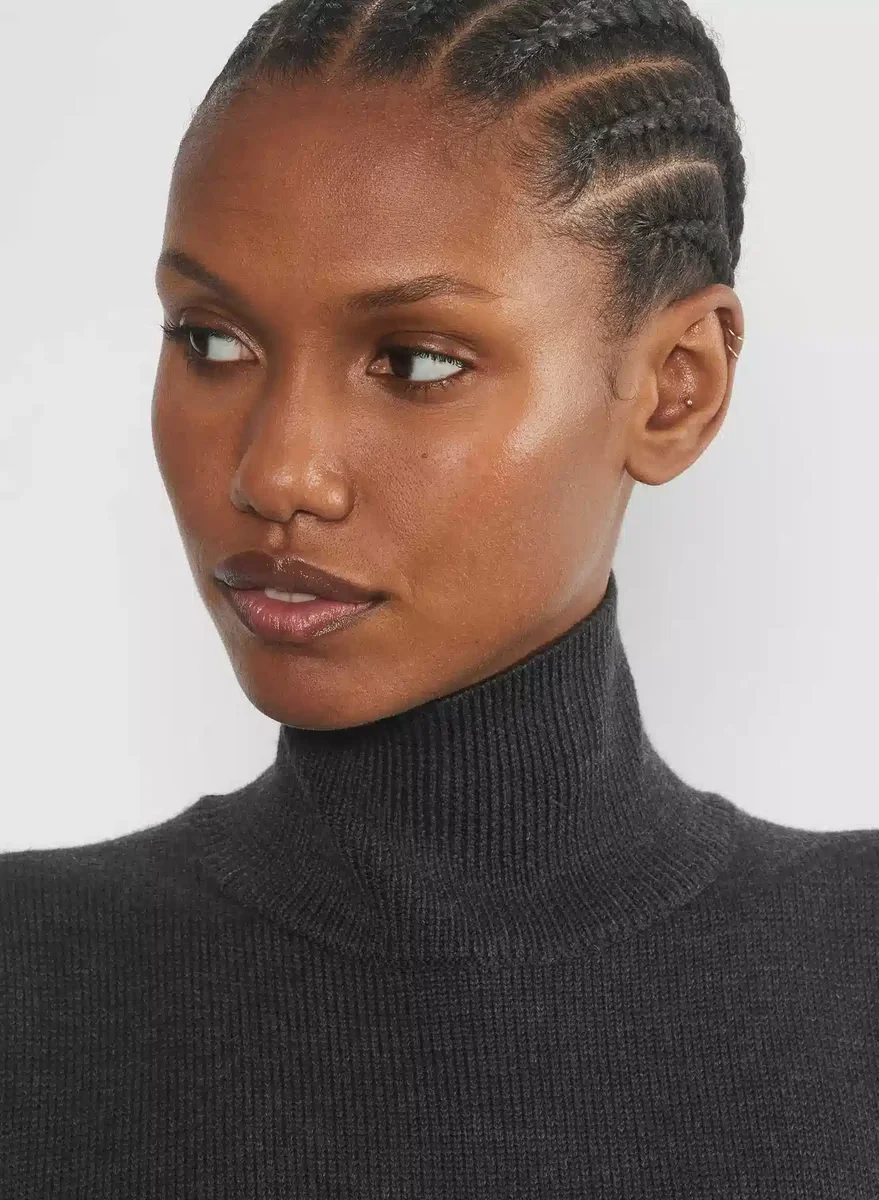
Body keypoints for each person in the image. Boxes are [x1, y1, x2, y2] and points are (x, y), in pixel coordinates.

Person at [2, 0, 876, 1194]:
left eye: (416, 362)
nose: (277, 474)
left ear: (677, 388)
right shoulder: (30, 983)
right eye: (211, 342)